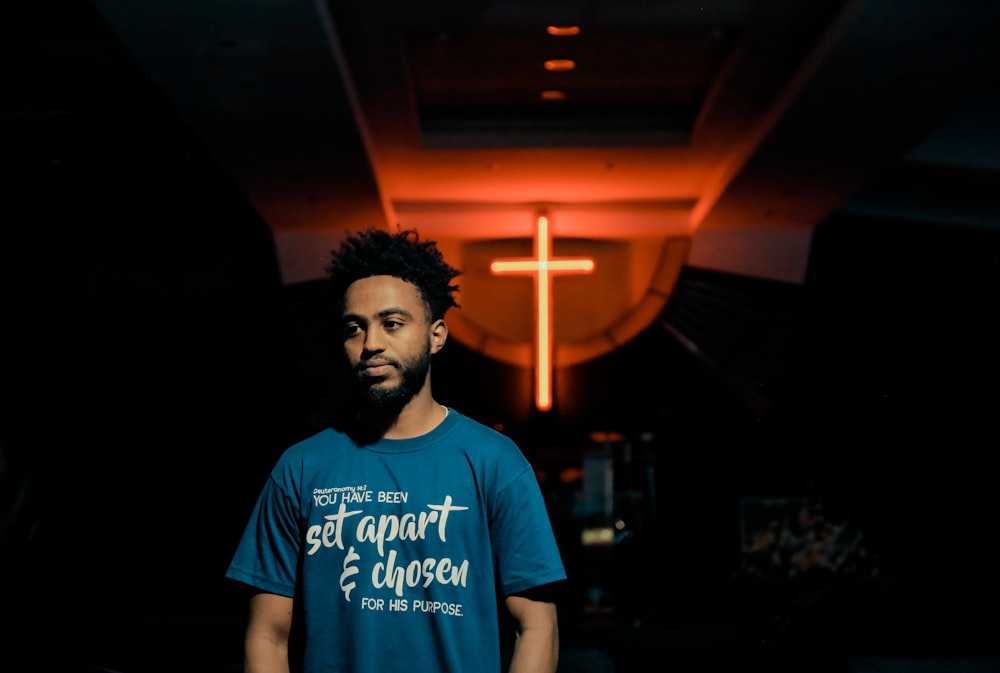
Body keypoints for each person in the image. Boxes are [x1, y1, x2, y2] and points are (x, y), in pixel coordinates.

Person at [225, 227, 567, 673]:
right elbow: (268, 636)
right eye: (355, 328)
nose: (371, 344)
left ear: (436, 335)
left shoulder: (496, 463)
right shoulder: (300, 468)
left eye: (392, 323)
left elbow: (537, 628)